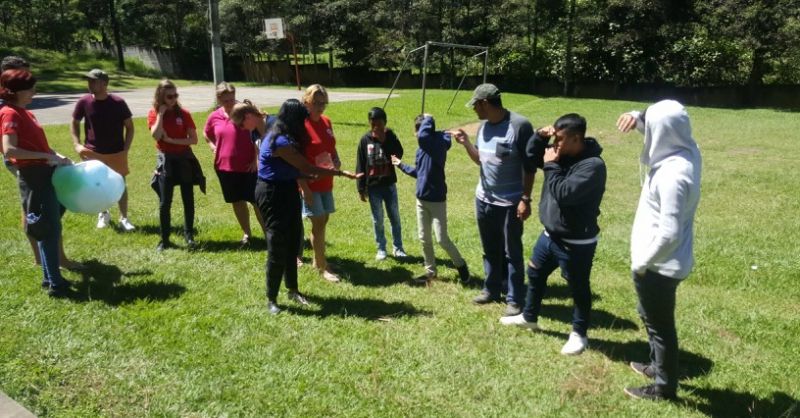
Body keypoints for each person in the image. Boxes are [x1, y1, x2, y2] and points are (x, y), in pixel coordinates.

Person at [231, 99, 358, 315]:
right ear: (293, 119)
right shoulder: (279, 140)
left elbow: (296, 170)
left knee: (293, 242)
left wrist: (307, 175)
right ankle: (271, 298)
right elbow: (304, 166)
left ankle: (293, 290)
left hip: (287, 189)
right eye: (301, 120)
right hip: (271, 194)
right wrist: (339, 173)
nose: (304, 124)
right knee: (277, 245)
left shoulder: (282, 133)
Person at [499, 114, 607, 356]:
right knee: (535, 273)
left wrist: (551, 165)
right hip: (550, 235)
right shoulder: (563, 155)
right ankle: (529, 317)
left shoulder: (593, 166)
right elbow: (531, 157)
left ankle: (579, 335)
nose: (555, 144)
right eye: (554, 138)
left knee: (578, 289)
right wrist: (539, 137)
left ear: (576, 138)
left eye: (559, 139)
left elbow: (564, 193)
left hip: (576, 241)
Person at [616, 100, 702, 401]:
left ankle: (663, 388)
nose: (646, 130)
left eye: (649, 126)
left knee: (660, 326)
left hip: (659, 266)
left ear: (660, 132)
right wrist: (635, 117)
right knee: (649, 314)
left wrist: (642, 262)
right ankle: (655, 366)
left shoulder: (672, 178)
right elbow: (660, 126)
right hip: (664, 262)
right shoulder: (689, 151)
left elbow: (669, 234)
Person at [452, 84, 536, 316]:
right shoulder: (483, 127)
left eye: (475, 105)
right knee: (490, 248)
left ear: (485, 103)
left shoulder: (519, 126)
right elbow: (481, 160)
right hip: (484, 199)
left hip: (510, 202)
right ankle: (491, 289)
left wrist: (525, 199)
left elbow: (529, 168)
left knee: (512, 252)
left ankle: (514, 298)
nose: (474, 110)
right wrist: (466, 143)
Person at [1, 56, 81, 270]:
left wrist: (52, 154)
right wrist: (46, 157)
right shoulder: (7, 108)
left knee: (36, 209)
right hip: (26, 164)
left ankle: (45, 258)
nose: (31, 87)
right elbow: (9, 148)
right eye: (24, 77)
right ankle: (53, 261)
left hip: (34, 160)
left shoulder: (19, 107)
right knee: (41, 212)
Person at [391, 114, 470, 285]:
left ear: (423, 131)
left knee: (442, 239)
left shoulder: (438, 146)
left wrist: (428, 118)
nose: (415, 135)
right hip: (421, 199)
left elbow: (425, 136)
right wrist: (401, 165)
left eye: (417, 131)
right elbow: (419, 174)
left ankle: (461, 265)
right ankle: (430, 271)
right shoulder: (421, 150)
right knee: (424, 238)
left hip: (437, 201)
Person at [70, 68, 135, 231]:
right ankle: (103, 213)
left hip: (116, 151)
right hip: (93, 151)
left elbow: (130, 127)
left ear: (105, 83)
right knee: (97, 184)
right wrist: (77, 144)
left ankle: (124, 218)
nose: (89, 84)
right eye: (88, 80)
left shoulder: (118, 103)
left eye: (94, 81)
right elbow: (74, 123)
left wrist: (125, 149)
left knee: (120, 183)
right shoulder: (84, 102)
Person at [203, 82, 265, 245]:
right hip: (225, 167)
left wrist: (255, 159)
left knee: (257, 201)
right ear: (219, 99)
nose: (230, 103)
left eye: (232, 99)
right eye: (226, 101)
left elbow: (260, 135)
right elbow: (206, 133)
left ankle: (269, 234)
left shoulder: (244, 112)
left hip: (249, 166)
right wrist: (212, 146)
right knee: (237, 201)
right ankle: (247, 234)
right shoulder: (214, 116)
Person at [147, 79, 205, 251]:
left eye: (175, 95)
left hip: (184, 159)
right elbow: (156, 136)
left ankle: (189, 236)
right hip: (165, 160)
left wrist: (172, 140)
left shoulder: (184, 114)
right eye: (169, 96)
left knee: (188, 198)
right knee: (165, 202)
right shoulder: (154, 113)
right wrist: (161, 115)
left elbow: (193, 140)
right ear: (161, 97)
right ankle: (164, 239)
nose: (173, 99)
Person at [299, 84, 343, 282]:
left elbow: (331, 147)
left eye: (323, 103)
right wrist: (303, 187)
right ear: (306, 101)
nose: (320, 107)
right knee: (318, 221)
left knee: (323, 220)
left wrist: (336, 159)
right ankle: (323, 267)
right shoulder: (301, 124)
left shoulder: (326, 121)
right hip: (309, 182)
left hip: (326, 179)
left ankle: (318, 260)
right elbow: (297, 158)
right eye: (316, 103)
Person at [355, 107, 406, 261]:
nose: (376, 127)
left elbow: (399, 154)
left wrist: (385, 141)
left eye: (379, 124)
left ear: (385, 122)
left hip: (389, 185)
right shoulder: (365, 140)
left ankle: (398, 247)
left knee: (394, 217)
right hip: (373, 187)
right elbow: (361, 164)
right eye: (373, 124)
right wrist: (360, 187)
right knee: (377, 219)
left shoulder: (390, 136)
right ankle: (381, 248)